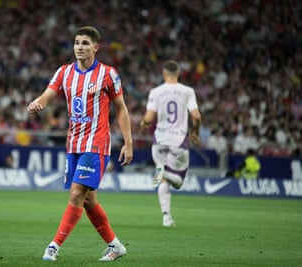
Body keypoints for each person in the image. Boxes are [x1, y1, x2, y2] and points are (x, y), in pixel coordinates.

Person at [27, 26, 133, 262]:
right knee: (87, 199)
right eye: (76, 43)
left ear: (96, 47)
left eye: (85, 43)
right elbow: (48, 94)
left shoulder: (108, 73)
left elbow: (121, 109)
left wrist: (128, 141)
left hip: (96, 144)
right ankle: (115, 246)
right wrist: (38, 103)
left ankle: (53, 246)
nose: (80, 47)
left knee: (76, 194)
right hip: (73, 143)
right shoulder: (64, 72)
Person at [140, 60, 201, 227]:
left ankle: (166, 216)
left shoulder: (156, 91)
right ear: (178, 73)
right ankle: (164, 174)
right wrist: (195, 133)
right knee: (178, 182)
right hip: (178, 142)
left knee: (163, 180)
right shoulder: (187, 91)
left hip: (159, 141)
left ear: (163, 74)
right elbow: (196, 116)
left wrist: (144, 123)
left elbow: (149, 117)